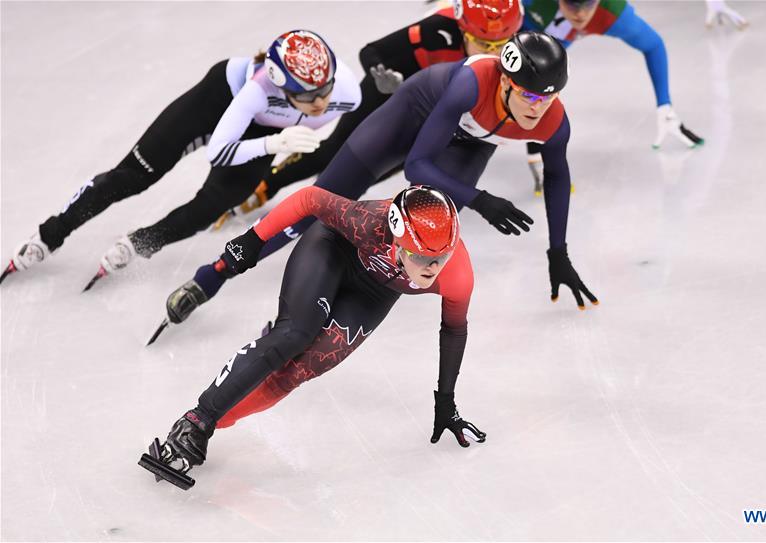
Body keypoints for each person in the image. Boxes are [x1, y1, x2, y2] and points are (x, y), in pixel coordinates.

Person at [156, 30, 596, 343]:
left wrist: (558, 252)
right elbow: (419, 166)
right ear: (505, 81)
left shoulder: (554, 122)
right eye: (530, 97)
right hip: (412, 116)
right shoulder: (469, 84)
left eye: (549, 98)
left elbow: (558, 175)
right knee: (319, 205)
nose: (538, 110)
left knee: (418, 239)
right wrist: (481, 200)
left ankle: (302, 319)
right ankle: (211, 276)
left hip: (469, 145)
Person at [139, 185, 486, 489]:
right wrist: (254, 240)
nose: (432, 267)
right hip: (332, 249)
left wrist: (446, 402)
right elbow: (310, 199)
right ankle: (195, 422)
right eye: (422, 257)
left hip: (373, 294)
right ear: (397, 242)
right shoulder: (368, 221)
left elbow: (454, 330)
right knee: (295, 334)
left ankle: (214, 423)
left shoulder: (457, 276)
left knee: (295, 373)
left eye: (440, 257)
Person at [2, 30, 360, 286]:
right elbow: (221, 150)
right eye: (307, 94)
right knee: (132, 177)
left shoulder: (348, 94)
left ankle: (141, 242)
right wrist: (273, 144)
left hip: (266, 133)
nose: (321, 102)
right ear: (279, 85)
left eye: (325, 88)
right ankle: (49, 234)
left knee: (210, 208)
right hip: (215, 102)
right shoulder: (256, 92)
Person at [213, 0, 525, 228]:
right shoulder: (437, 29)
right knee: (331, 152)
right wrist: (382, 75)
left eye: (500, 45)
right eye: (483, 43)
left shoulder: (508, 60)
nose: (491, 54)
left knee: (384, 169)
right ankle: (265, 186)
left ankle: (314, 207)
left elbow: (533, 106)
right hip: (387, 92)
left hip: (426, 113)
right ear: (461, 28)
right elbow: (371, 50)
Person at [520, 0, 704, 194]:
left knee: (538, 78)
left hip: (546, 35)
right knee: (530, 77)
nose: (581, 14)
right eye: (572, 4)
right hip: (527, 30)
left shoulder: (612, 12)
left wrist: (665, 107)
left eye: (588, 4)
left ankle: (539, 161)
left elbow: (653, 45)